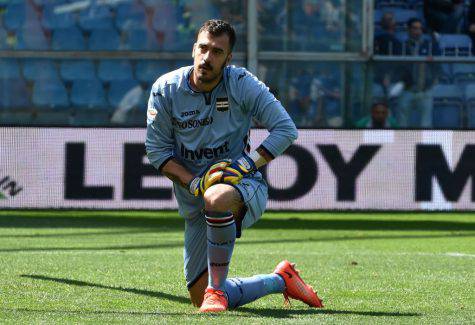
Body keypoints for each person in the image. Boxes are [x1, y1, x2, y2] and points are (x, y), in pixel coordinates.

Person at [145, 19, 323, 313]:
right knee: (197, 298)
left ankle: (217, 290)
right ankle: (281, 280)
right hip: (194, 196)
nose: (207, 57)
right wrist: (193, 182)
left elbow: (286, 129)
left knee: (216, 198)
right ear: (193, 49)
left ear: (228, 59)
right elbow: (156, 151)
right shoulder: (165, 90)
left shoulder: (241, 83)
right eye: (203, 48)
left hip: (244, 186)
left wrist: (244, 166)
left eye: (217, 52)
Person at [399, 18, 441, 127]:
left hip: (425, 90)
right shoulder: (402, 46)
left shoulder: (430, 45)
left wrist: (434, 79)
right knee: (403, 123)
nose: (418, 31)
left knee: (425, 125)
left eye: (420, 28)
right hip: (407, 90)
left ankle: (424, 144)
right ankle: (402, 143)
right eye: (415, 28)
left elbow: (438, 64)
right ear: (408, 30)